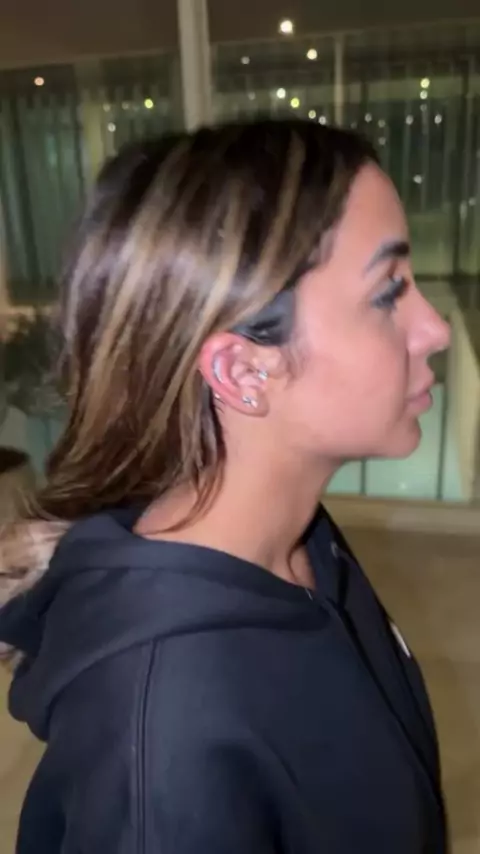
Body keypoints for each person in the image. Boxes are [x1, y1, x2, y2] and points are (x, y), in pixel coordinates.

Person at [0, 119, 450, 854]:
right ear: (243, 371)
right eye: (388, 292)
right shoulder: (165, 747)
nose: (434, 329)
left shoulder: (300, 541)